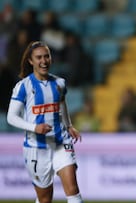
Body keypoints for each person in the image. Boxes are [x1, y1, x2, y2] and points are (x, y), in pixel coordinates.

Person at [6, 41, 84, 203]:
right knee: (45, 198)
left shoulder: (59, 83)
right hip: (36, 148)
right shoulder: (23, 87)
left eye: (46, 56)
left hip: (61, 142)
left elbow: (62, 103)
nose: (44, 61)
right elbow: (11, 117)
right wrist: (34, 127)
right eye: (39, 57)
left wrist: (68, 125)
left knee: (73, 190)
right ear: (31, 61)